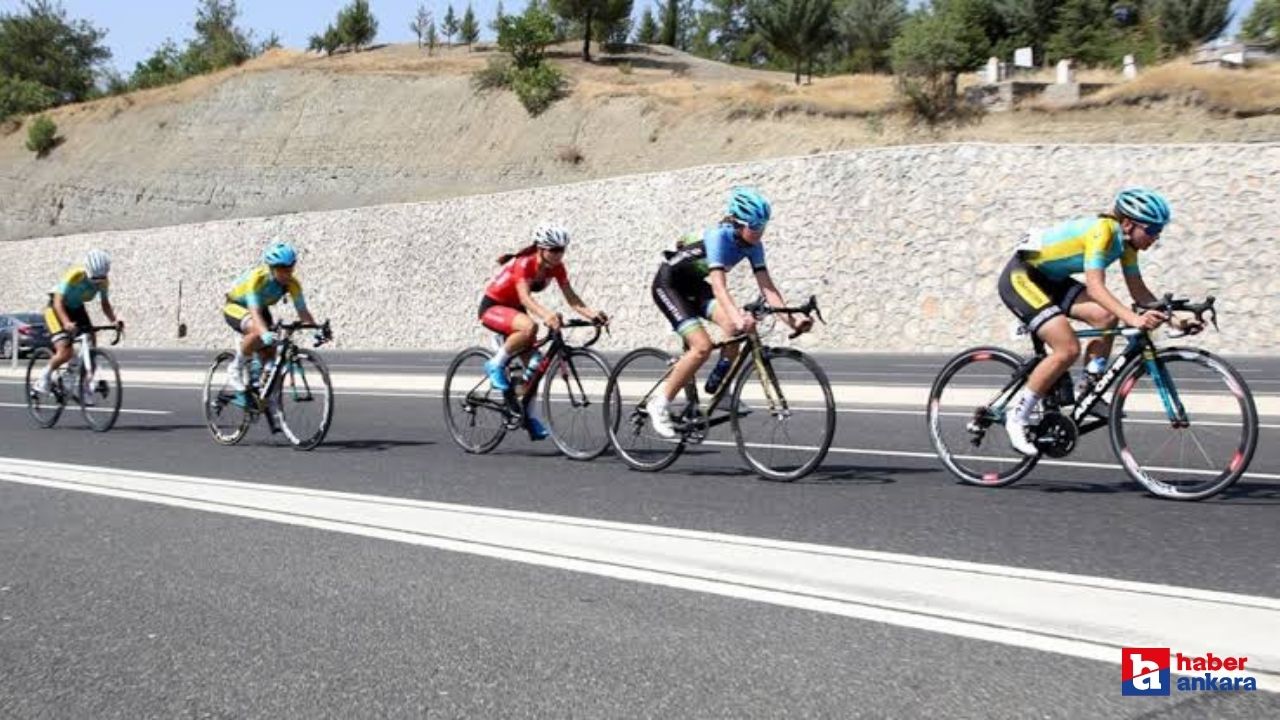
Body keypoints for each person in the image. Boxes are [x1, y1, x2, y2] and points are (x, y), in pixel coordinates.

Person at [998, 187, 1197, 456]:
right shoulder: (1102, 231)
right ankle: (1017, 417)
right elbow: (1095, 287)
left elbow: (1138, 291)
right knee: (1067, 348)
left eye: (1159, 230)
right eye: (1152, 230)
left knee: (1105, 316)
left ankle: (1088, 388)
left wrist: (1175, 319)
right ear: (1128, 223)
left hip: (1051, 280)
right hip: (1022, 278)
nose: (1156, 236)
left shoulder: (1127, 245)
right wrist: (1134, 319)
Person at [646, 187, 812, 439]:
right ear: (738, 222)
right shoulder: (717, 238)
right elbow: (720, 287)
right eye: (755, 227)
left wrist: (793, 322)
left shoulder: (754, 246)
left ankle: (721, 391)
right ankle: (659, 404)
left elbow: (768, 288)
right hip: (668, 285)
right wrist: (737, 316)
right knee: (702, 347)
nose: (760, 233)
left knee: (734, 328)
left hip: (694, 285)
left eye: (763, 227)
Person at [479, 225, 607, 440]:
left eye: (562, 250)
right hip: (494, 307)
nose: (559, 254)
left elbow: (571, 297)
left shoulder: (557, 267)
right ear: (540, 248)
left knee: (537, 366)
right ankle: (495, 363)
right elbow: (525, 298)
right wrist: (547, 315)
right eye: (554, 249)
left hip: (514, 311)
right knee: (531, 327)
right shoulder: (524, 263)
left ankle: (528, 417)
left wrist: (592, 314)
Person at [222, 241, 318, 399]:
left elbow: (302, 311)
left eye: (290, 269)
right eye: (282, 270)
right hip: (237, 306)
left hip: (261, 308)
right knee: (258, 332)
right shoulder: (257, 279)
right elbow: (254, 312)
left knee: (272, 347)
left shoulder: (292, 284)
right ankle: (235, 368)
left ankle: (260, 384)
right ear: (271, 268)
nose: (287, 274)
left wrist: (315, 330)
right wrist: (263, 332)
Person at [32, 249, 123, 404]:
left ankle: (81, 384)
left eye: (101, 279)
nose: (97, 282)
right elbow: (58, 301)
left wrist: (114, 320)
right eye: (94, 279)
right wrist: (66, 323)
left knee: (91, 342)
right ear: (87, 270)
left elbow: (105, 303)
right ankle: (43, 378)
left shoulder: (103, 281)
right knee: (65, 352)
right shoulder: (75, 275)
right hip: (56, 309)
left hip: (76, 308)